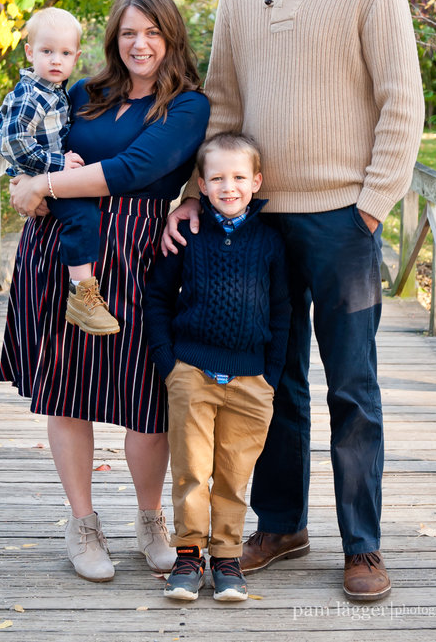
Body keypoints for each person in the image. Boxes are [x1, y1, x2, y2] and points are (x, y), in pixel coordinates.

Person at [162, 0, 425, 601]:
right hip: (259, 219)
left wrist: (372, 208)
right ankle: (280, 522)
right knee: (267, 378)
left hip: (344, 217)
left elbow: (402, 104)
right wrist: (196, 194)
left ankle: (363, 545)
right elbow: (226, 100)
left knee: (352, 384)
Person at [0, 0, 210, 583]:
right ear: (114, 39)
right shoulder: (82, 92)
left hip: (141, 254)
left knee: (145, 398)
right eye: (128, 32)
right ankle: (84, 523)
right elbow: (36, 146)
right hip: (66, 252)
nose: (139, 43)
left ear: (171, 37)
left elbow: (136, 169)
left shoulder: (187, 105)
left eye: (151, 31)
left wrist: (45, 187)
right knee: (69, 387)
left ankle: (150, 520)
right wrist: (29, 182)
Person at [144, 132, 290, 602]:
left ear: (257, 181)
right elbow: (158, 298)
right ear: (201, 185)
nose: (229, 187)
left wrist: (270, 372)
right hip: (192, 371)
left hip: (251, 380)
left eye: (239, 177)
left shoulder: (270, 241)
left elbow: (284, 310)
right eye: (218, 178)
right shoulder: (186, 234)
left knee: (232, 473)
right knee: (190, 470)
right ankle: (188, 556)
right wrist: (170, 363)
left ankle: (226, 559)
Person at [0, 6, 119, 336]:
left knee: (83, 215)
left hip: (45, 177)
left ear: (76, 56)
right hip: (43, 175)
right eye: (47, 51)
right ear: (29, 52)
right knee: (82, 217)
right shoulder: (30, 95)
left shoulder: (58, 91)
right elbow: (12, 141)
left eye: (65, 53)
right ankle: (83, 295)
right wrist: (56, 165)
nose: (55, 60)